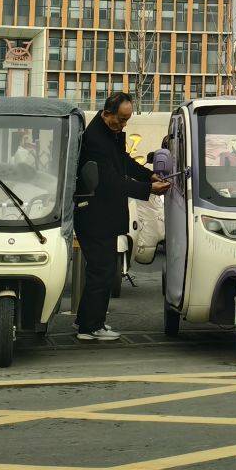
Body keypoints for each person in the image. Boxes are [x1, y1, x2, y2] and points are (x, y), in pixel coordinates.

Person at [75, 91, 168, 343]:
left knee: (102, 270)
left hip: (103, 214)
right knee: (102, 271)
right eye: (121, 119)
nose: (124, 125)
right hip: (95, 215)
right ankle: (90, 327)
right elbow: (110, 182)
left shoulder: (109, 132)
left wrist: (148, 175)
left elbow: (123, 162)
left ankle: (88, 321)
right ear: (107, 114)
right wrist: (148, 189)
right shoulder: (96, 140)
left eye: (127, 120)